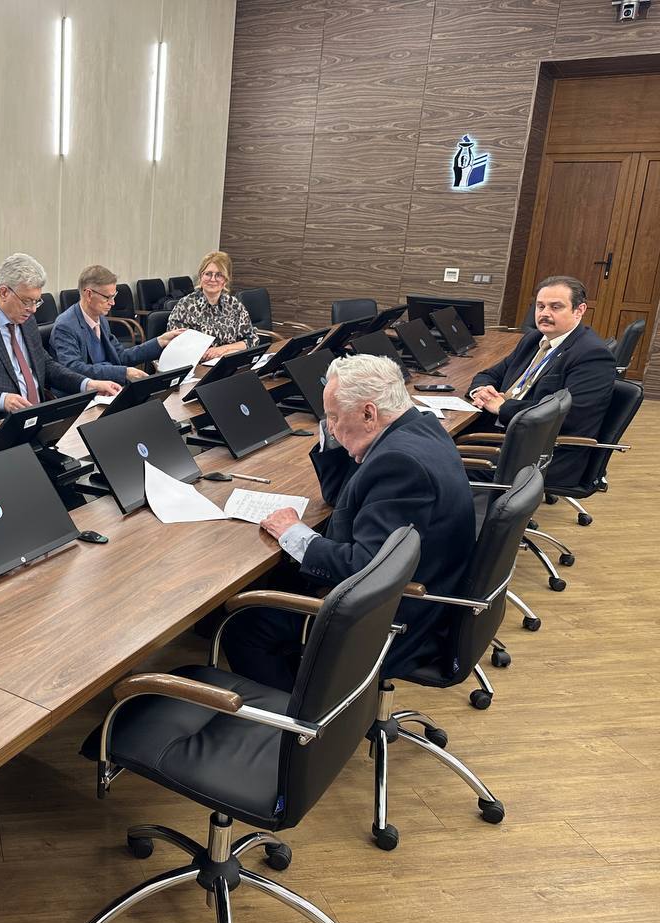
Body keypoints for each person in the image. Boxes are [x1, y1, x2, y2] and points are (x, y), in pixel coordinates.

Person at [223, 354, 474, 688]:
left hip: (396, 619)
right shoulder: (418, 427)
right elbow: (343, 494)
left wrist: (293, 532)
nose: (330, 426)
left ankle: (303, 712)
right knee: (265, 585)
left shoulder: (400, 464)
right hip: (425, 584)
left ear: (369, 413)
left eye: (333, 416)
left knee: (243, 625)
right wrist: (336, 435)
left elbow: (364, 567)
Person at [466, 275, 615, 487]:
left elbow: (568, 415)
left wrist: (503, 407)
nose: (545, 313)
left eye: (556, 307)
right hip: (502, 435)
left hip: (541, 455)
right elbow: (490, 374)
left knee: (438, 461)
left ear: (579, 310)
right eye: (540, 306)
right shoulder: (534, 339)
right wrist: (481, 390)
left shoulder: (592, 355)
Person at [0, 253, 122, 418]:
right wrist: (2, 400)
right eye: (27, 301)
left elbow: (46, 365)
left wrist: (87, 384)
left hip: (39, 417)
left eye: (37, 301)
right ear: (4, 292)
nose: (33, 309)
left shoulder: (25, 317)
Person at [50, 264, 182, 383]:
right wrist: (123, 372)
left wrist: (159, 341)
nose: (112, 303)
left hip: (108, 388)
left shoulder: (101, 319)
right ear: (89, 294)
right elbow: (74, 370)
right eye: (107, 297)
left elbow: (121, 356)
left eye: (114, 296)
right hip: (82, 394)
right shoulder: (65, 325)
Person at [165, 251, 259, 362]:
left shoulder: (234, 305)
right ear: (201, 276)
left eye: (219, 275)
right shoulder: (185, 306)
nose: (212, 279)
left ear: (225, 280)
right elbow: (176, 348)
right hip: (197, 367)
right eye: (208, 274)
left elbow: (252, 340)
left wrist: (224, 349)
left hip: (228, 363)